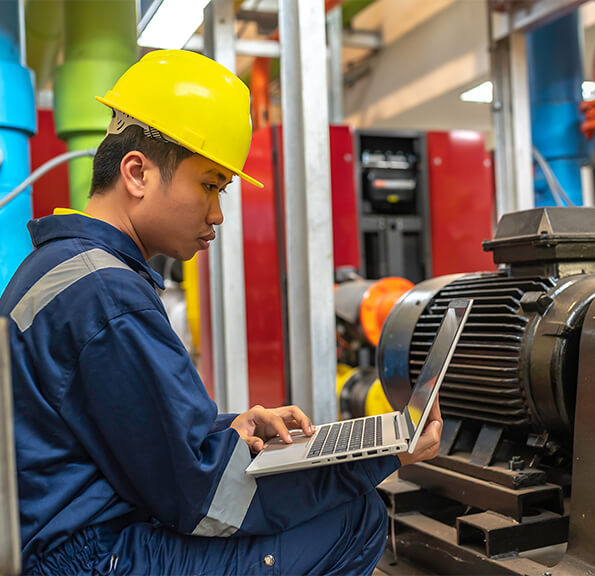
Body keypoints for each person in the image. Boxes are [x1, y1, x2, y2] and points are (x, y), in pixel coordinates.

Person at [0, 50, 442, 575]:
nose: (217, 213)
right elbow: (206, 498)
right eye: (208, 184)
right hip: (86, 558)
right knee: (354, 515)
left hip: (62, 538)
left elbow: (126, 433)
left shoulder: (62, 266)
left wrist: (228, 426)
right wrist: (382, 456)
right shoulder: (107, 296)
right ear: (137, 173)